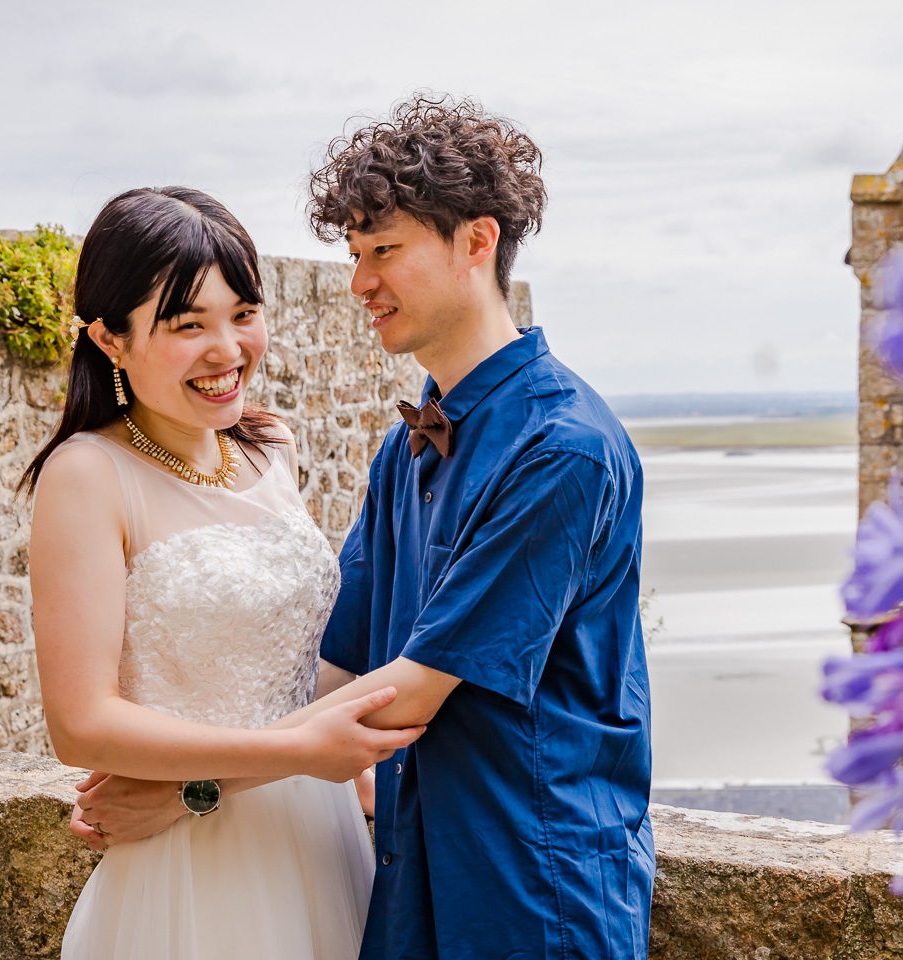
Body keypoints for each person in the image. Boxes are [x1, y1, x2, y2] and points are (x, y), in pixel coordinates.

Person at [73, 96, 655, 959]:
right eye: (353, 254)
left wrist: (195, 790)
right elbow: (335, 665)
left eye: (384, 250)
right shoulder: (406, 446)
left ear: (476, 242)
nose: (358, 283)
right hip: (403, 877)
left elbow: (407, 694)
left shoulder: (561, 449)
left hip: (535, 889)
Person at [25, 186, 421, 959]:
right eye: (187, 326)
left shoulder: (274, 446)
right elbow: (82, 724)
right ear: (109, 339)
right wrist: (301, 755)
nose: (227, 351)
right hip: (188, 877)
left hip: (323, 838)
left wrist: (308, 770)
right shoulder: (87, 475)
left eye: (243, 314)